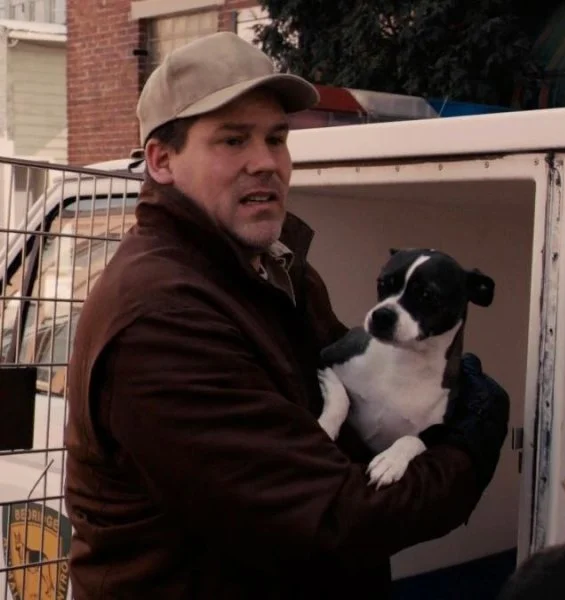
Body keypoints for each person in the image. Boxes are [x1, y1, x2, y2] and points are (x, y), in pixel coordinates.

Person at [63, 31, 510, 599]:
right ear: (162, 160)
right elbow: (332, 518)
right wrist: (468, 443)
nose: (266, 162)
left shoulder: (269, 270)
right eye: (233, 140)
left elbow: (346, 407)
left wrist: (431, 399)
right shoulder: (161, 320)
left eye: (277, 138)